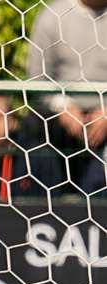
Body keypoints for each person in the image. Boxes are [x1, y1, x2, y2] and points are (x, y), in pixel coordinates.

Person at [27, 0, 107, 196]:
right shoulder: (52, 15)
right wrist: (63, 106)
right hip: (59, 115)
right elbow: (37, 78)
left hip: (103, 112)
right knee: (34, 129)